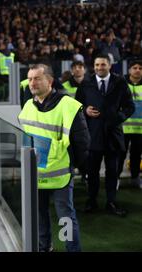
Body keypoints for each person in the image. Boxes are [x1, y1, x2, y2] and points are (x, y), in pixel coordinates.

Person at [18, 64, 90, 252]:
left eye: (37, 78)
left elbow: (82, 141)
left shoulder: (68, 105)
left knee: (65, 218)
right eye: (30, 79)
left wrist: (74, 166)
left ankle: (72, 250)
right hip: (35, 175)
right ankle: (44, 247)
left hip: (60, 176)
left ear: (49, 81)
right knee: (40, 216)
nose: (32, 83)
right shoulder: (28, 105)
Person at [76, 54, 135, 216]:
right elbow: (77, 104)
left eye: (102, 65)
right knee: (92, 172)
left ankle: (111, 202)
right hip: (93, 134)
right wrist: (85, 110)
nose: (99, 68)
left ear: (110, 66)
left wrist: (118, 117)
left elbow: (130, 106)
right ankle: (91, 201)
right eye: (96, 65)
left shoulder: (120, 82)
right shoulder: (86, 83)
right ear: (93, 67)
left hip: (113, 135)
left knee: (112, 171)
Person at [118, 60, 142, 188]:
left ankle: (135, 178)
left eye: (140, 68)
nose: (137, 70)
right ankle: (116, 178)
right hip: (123, 127)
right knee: (120, 154)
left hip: (140, 129)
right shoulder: (121, 84)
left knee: (136, 155)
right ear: (129, 70)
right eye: (135, 67)